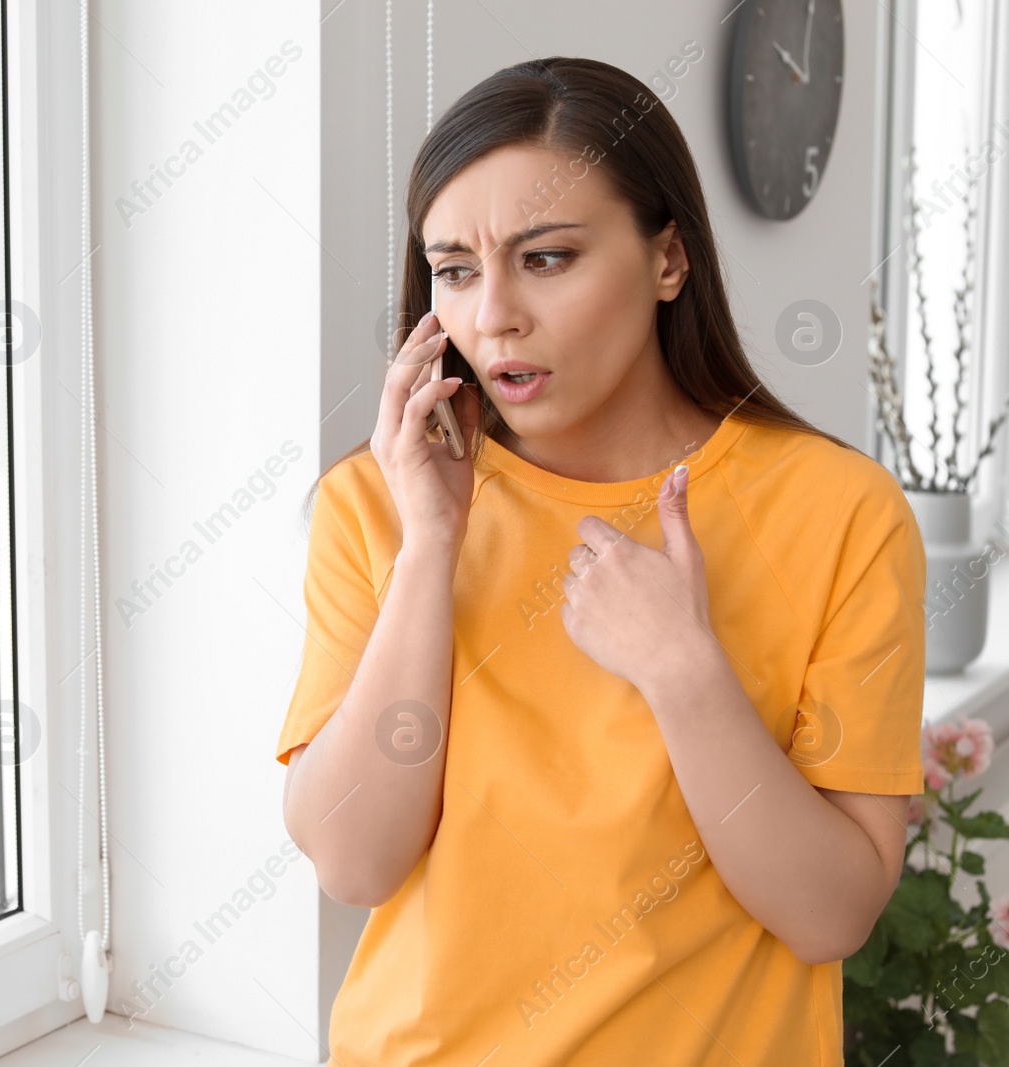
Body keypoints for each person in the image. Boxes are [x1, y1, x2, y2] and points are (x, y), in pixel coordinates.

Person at [275, 55, 923, 1066]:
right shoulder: (376, 503)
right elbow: (354, 859)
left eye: (546, 258)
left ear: (668, 260)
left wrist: (682, 671)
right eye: (453, 269)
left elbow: (830, 913)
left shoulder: (840, 511)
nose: (491, 315)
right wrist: (430, 547)